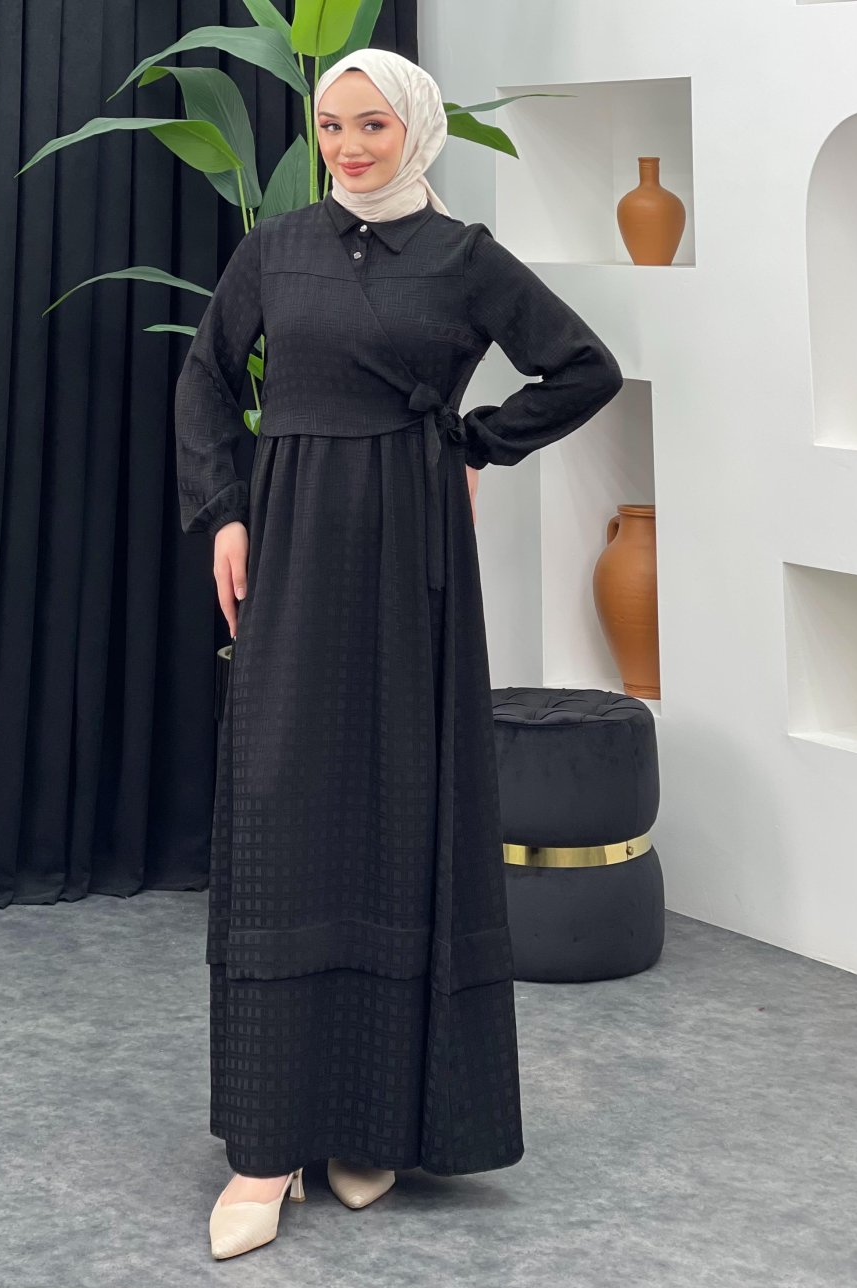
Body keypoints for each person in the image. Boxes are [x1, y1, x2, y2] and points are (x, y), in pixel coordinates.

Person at [174, 48, 624, 1261]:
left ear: (413, 128)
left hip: (413, 553)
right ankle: (269, 1144)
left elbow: (582, 367)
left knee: (397, 804)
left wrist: (472, 442)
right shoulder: (277, 249)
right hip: (293, 542)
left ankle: (373, 1116)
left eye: (371, 124)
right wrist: (226, 513)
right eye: (331, 125)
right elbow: (206, 379)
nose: (348, 146)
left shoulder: (464, 258)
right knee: (284, 807)